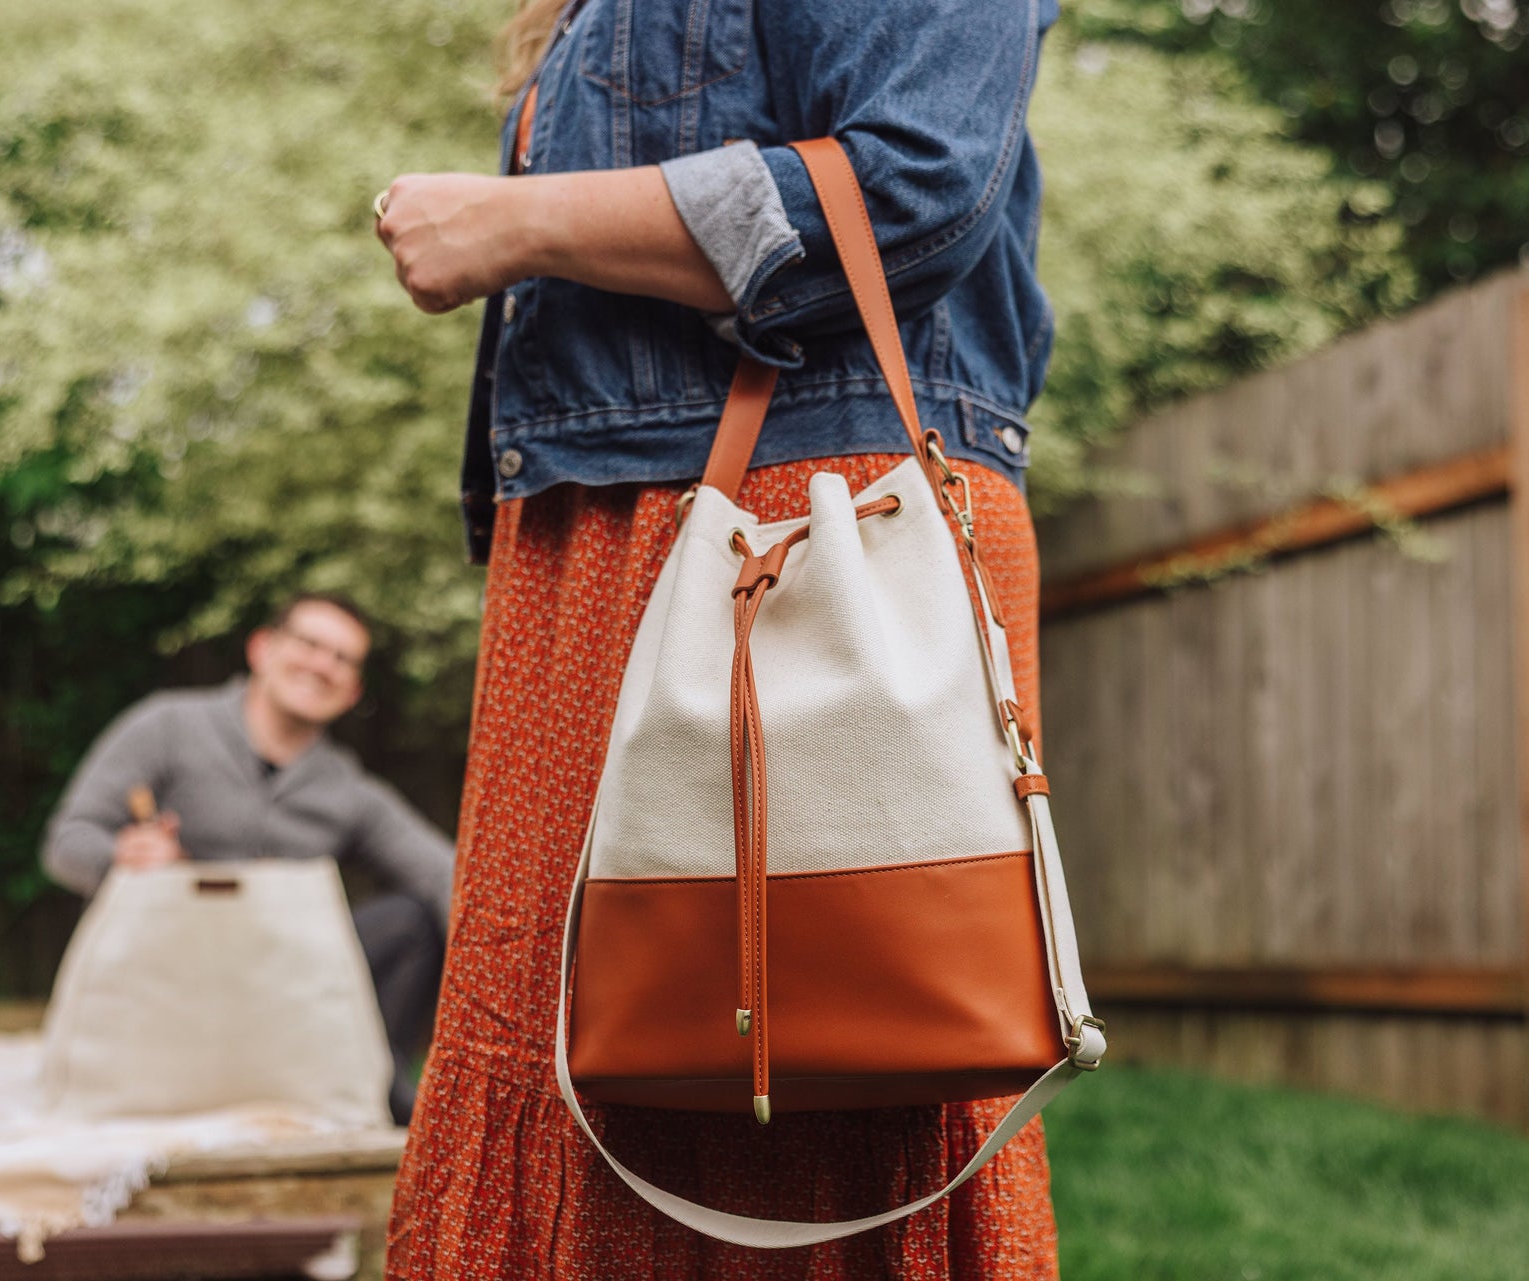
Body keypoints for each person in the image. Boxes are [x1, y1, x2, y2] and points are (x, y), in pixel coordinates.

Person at [373, 0, 1063, 1273]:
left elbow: (909, 184)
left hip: (804, 527)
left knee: (822, 1037)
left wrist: (516, 222)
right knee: (568, 1033)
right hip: (603, 537)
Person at [40, 591, 455, 1125]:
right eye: (309, 644)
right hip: (169, 982)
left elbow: (443, 874)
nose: (322, 665)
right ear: (261, 648)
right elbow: (66, 842)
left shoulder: (349, 789)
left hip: (284, 994)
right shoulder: (166, 726)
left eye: (342, 659)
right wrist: (121, 856)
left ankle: (377, 1083)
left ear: (353, 691)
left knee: (410, 922)